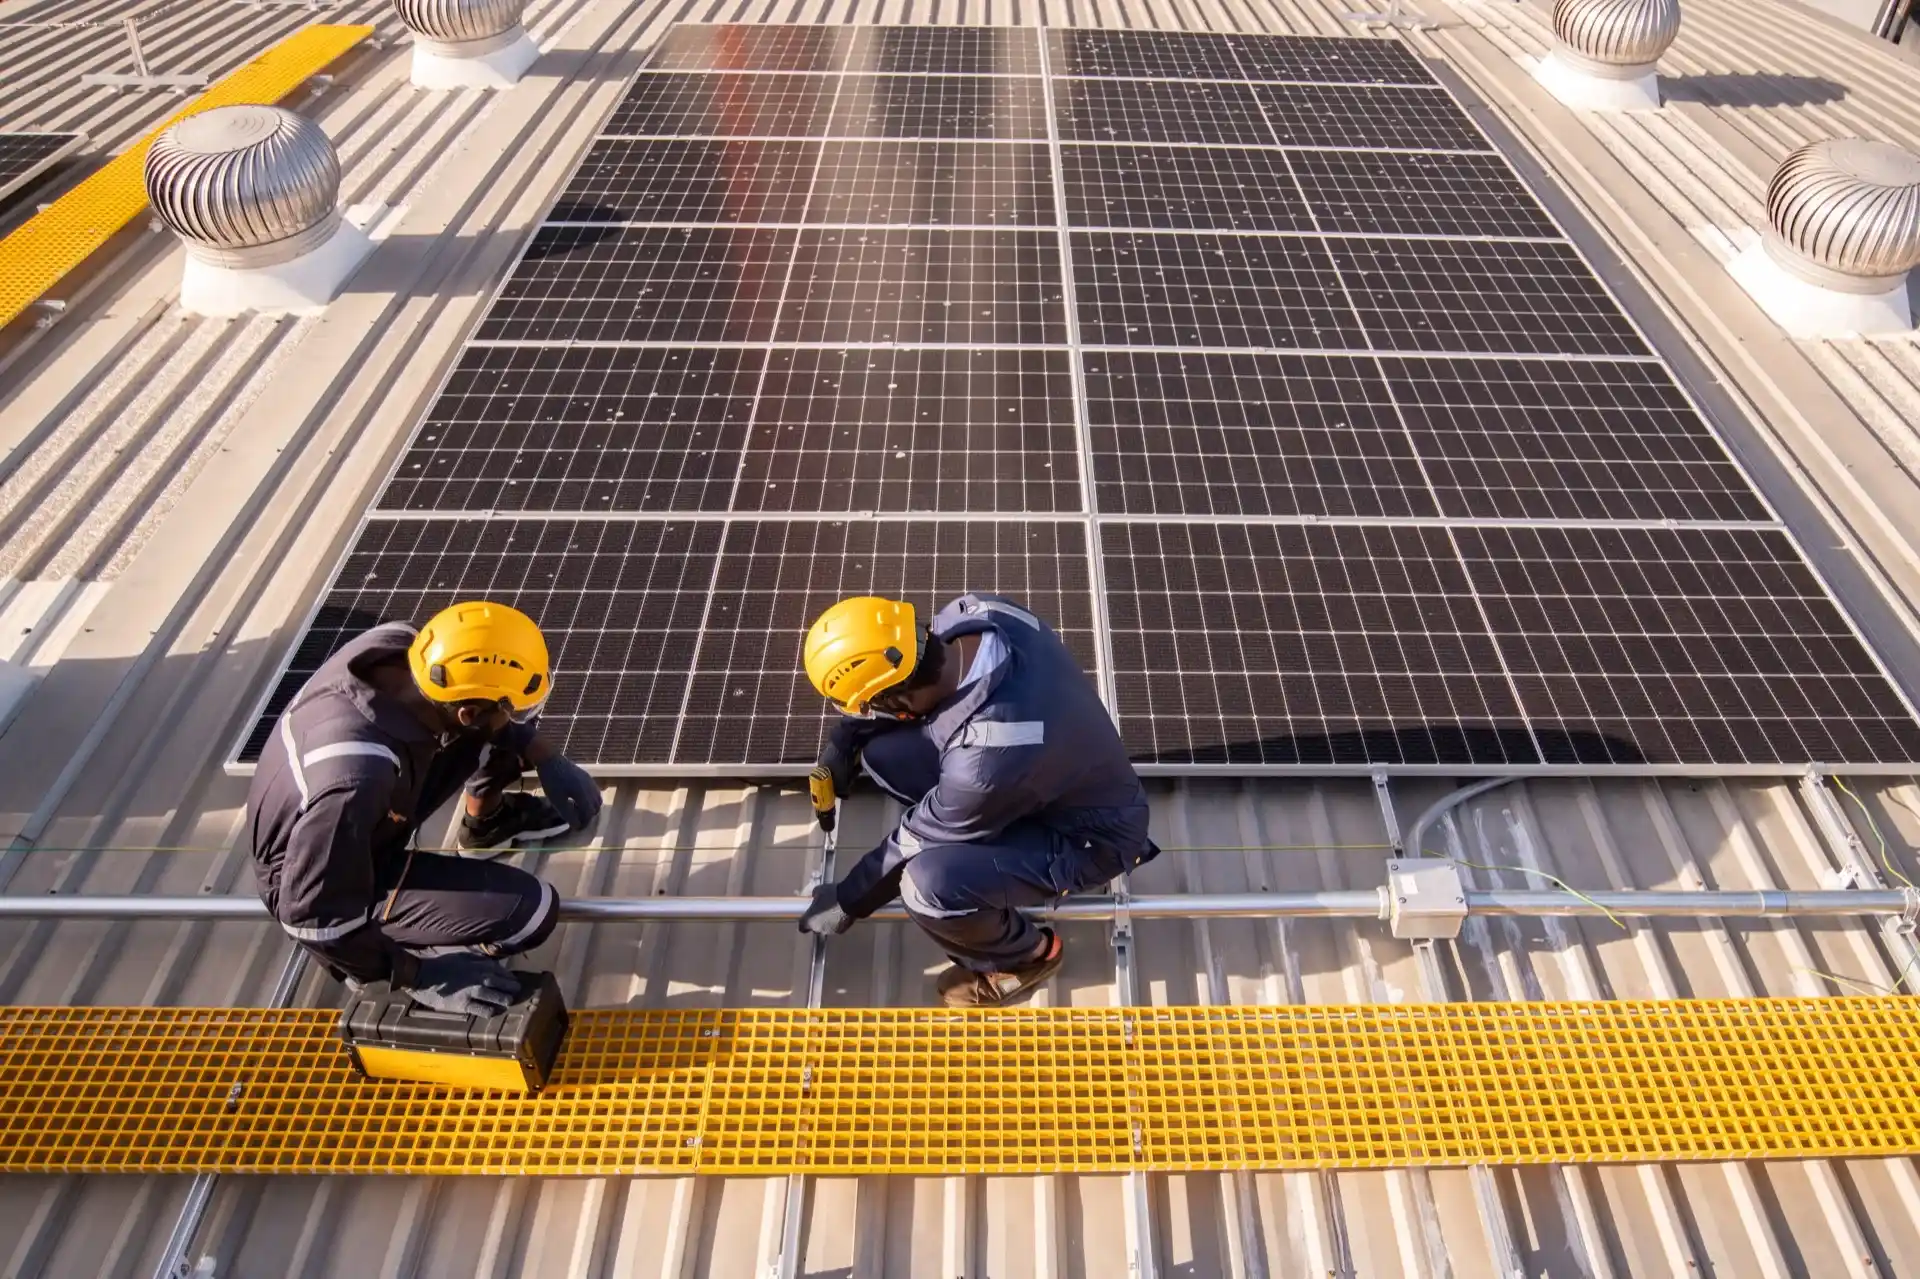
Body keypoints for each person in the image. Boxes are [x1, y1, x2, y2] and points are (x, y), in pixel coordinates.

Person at [797, 593, 1158, 1007]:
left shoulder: (983, 764)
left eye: (873, 708)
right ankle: (981, 836)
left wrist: (846, 901)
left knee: (927, 887)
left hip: (1091, 839)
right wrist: (849, 739)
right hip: (1044, 768)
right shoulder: (977, 612)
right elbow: (903, 680)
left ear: (897, 700)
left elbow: (912, 842)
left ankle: (1026, 959)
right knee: (883, 756)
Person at [246, 601, 602, 1017]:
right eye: (510, 710)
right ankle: (384, 961)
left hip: (355, 821)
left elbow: (487, 716)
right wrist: (417, 975)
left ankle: (488, 823)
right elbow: (309, 914)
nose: (518, 719)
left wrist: (541, 753)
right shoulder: (355, 778)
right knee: (530, 912)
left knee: (493, 730)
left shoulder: (408, 648)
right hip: (317, 874)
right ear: (466, 710)